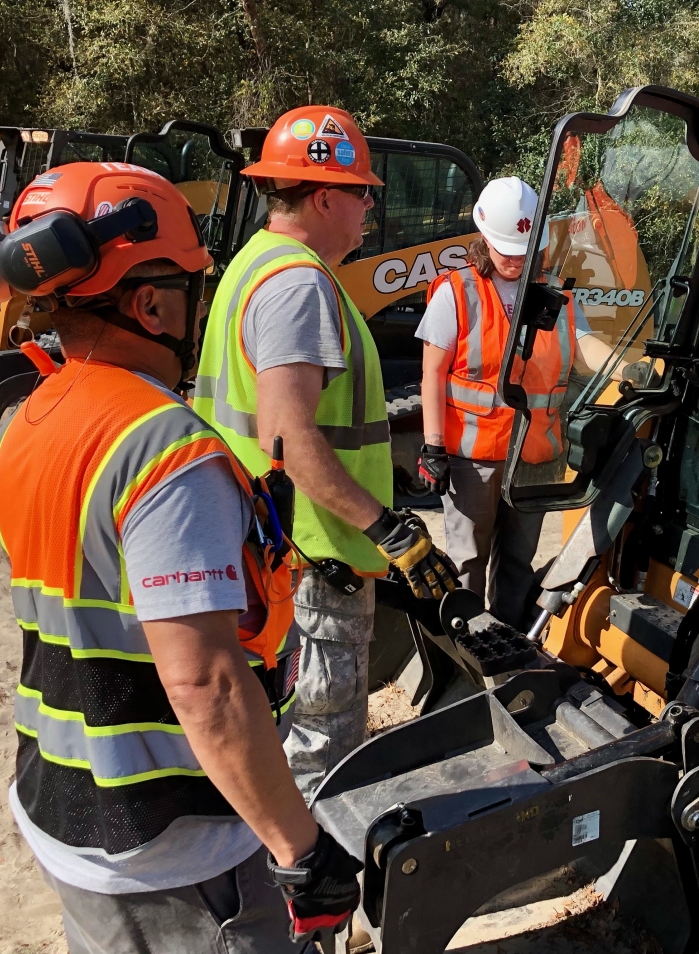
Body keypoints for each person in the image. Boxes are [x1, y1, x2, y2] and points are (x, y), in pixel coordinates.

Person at [0, 162, 362, 952]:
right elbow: (207, 686)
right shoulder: (161, 449)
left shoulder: (31, 416)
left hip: (62, 799)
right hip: (170, 848)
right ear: (150, 303)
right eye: (191, 286)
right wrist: (301, 850)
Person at [193, 105, 457, 800]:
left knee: (285, 722)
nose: (371, 207)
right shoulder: (299, 283)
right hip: (315, 556)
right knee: (322, 740)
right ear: (326, 195)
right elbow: (287, 437)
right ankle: (312, 895)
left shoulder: (253, 264)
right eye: (364, 192)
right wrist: (385, 525)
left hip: (266, 543)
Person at [414, 177, 615, 629]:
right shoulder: (458, 291)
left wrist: (629, 368)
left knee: (517, 563)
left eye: (524, 250)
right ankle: (463, 646)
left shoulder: (554, 295)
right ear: (483, 237)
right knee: (468, 561)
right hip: (473, 459)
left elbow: (582, 346)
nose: (514, 259)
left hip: (534, 455)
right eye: (506, 249)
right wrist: (433, 446)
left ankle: (508, 642)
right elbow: (432, 372)